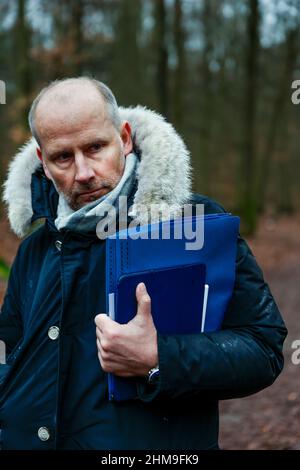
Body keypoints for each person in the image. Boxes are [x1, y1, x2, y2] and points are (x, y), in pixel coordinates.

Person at [0, 77, 287, 450]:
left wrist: (158, 357)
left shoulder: (192, 224)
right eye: (63, 157)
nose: (83, 173)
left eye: (95, 147)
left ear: (124, 138)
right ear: (42, 160)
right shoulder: (35, 249)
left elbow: (262, 349)